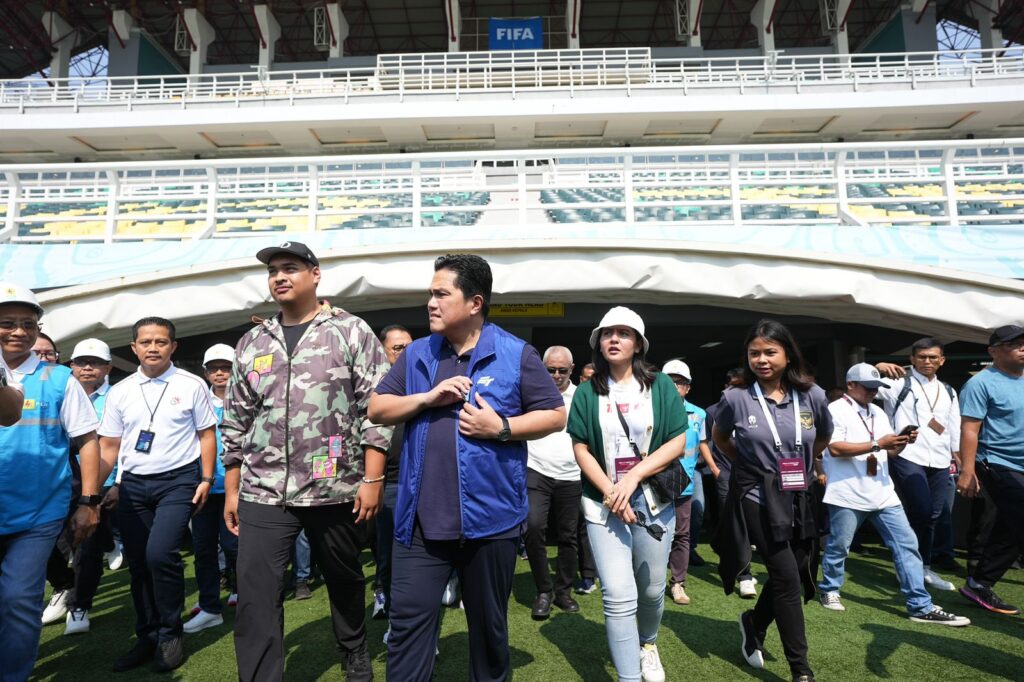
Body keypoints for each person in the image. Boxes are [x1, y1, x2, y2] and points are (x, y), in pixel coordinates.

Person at [369, 254, 565, 682]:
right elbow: (377, 408)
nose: (431, 303)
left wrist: (503, 427)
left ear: (475, 302)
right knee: (405, 633)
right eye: (430, 293)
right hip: (418, 525)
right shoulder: (418, 354)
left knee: (490, 635)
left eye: (441, 294)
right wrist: (427, 397)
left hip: (491, 524)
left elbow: (554, 414)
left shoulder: (516, 353)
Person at [220, 241, 392, 682]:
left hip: (334, 484)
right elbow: (236, 418)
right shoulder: (254, 340)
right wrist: (233, 487)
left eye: (290, 268)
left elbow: (376, 409)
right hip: (263, 487)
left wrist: (372, 479)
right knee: (257, 595)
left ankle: (353, 646)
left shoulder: (350, 331)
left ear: (315, 274)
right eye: (274, 270)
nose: (280, 276)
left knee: (344, 576)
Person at [566, 306, 687, 682]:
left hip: (652, 498)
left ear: (638, 344)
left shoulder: (661, 385)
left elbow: (678, 442)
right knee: (618, 594)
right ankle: (629, 677)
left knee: (650, 590)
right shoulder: (587, 392)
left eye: (624, 333)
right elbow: (581, 447)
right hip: (602, 501)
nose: (614, 339)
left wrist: (631, 479)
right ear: (598, 344)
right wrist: (610, 490)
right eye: (607, 333)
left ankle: (647, 643)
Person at [711, 319, 832, 682]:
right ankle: (801, 670)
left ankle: (754, 622)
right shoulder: (735, 397)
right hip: (756, 493)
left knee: (793, 571)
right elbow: (720, 437)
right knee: (785, 575)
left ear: (787, 354)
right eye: (754, 353)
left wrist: (806, 465)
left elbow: (822, 437)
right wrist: (750, 467)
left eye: (769, 352)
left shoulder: (813, 395)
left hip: (799, 492)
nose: (761, 360)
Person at [100, 317, 218, 673]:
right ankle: (147, 635)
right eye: (146, 342)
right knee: (138, 564)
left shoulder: (192, 384)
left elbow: (207, 434)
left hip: (179, 481)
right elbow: (110, 445)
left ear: (173, 347)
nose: (153, 348)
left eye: (161, 342)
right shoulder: (120, 391)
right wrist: (101, 489)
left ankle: (170, 632)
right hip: (134, 484)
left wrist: (206, 478)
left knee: (160, 554)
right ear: (134, 347)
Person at [0, 285, 102, 681]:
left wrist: (89, 501)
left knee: (19, 599)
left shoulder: (59, 378)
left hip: (37, 513)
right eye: (7, 323)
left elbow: (87, 441)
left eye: (28, 324)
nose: (19, 332)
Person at [817, 363, 970, 626]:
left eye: (877, 388)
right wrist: (880, 443)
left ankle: (920, 605)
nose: (872, 393)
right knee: (839, 546)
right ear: (850, 385)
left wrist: (899, 443)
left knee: (907, 545)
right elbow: (835, 449)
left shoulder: (877, 411)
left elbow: (887, 452)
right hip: (848, 491)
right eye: (868, 388)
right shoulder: (835, 409)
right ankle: (829, 588)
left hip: (883, 491)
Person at [876, 338, 961, 591]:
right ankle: (908, 567)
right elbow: (859, 383)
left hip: (940, 458)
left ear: (942, 360)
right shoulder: (897, 383)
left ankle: (923, 568)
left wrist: (961, 461)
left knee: (935, 515)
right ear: (912, 359)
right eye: (922, 357)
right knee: (921, 511)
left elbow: (954, 427)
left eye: (933, 357)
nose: (927, 361)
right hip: (907, 455)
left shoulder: (948, 390)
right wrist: (877, 367)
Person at [956, 325, 1024, 616]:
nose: (1022, 348)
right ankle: (979, 581)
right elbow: (970, 429)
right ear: (993, 351)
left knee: (1011, 526)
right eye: (1014, 344)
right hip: (997, 462)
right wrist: (967, 471)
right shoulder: (980, 384)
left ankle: (979, 582)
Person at [65, 338, 121, 635]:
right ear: (71, 366)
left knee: (88, 548)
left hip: (102, 484)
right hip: (60, 482)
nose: (88, 367)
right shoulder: (61, 392)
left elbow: (124, 444)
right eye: (81, 362)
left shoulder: (118, 396)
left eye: (95, 362)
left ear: (108, 367)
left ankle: (79, 605)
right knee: (61, 547)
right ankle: (64, 589)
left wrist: (118, 482)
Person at [184, 343, 239, 633]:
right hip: (201, 487)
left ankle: (242, 593)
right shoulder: (196, 399)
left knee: (234, 545)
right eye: (214, 368)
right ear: (205, 372)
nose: (220, 373)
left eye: (226, 367)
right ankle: (209, 605)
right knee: (203, 548)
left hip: (237, 487)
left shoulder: (246, 399)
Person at [525, 346, 582, 620]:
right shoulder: (530, 392)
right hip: (536, 469)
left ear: (572, 369)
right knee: (533, 527)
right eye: (551, 370)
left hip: (572, 473)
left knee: (568, 536)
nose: (557, 375)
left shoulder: (583, 396)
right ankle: (544, 591)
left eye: (562, 370)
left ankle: (563, 591)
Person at [661, 359, 713, 606]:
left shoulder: (699, 414)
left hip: (684, 482)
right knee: (655, 533)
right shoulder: (650, 410)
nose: (674, 386)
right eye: (669, 381)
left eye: (679, 382)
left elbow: (701, 443)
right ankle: (651, 581)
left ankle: (678, 582)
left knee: (682, 534)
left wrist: (712, 467)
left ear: (688, 387)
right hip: (655, 482)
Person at [373, 324, 414, 623]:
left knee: (419, 557)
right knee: (387, 556)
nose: (405, 353)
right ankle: (390, 611)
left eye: (409, 347)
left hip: (422, 483)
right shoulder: (373, 389)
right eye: (398, 348)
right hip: (386, 486)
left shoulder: (424, 382)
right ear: (383, 350)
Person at [704, 368, 757, 598]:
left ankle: (720, 546)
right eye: (734, 386)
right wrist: (716, 469)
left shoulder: (759, 407)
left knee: (749, 526)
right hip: (727, 474)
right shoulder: (713, 411)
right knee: (738, 525)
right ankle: (745, 575)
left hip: (757, 477)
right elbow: (707, 442)